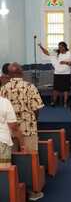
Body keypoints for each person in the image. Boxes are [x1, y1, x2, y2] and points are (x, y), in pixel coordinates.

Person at [0, 63, 44, 200]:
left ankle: (13, 191)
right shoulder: (30, 87)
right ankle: (32, 192)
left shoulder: (3, 89)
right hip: (28, 129)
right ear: (22, 73)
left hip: (10, 132)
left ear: (9, 74)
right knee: (30, 162)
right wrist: (34, 120)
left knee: (12, 162)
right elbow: (37, 108)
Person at [38, 42, 71, 107]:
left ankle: (65, 103)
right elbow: (46, 53)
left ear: (64, 47)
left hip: (66, 73)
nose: (60, 48)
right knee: (56, 89)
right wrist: (41, 47)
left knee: (65, 89)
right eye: (59, 47)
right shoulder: (56, 53)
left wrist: (65, 62)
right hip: (57, 73)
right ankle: (54, 102)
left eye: (61, 47)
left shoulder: (69, 54)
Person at [0, 96, 24, 168]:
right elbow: (13, 126)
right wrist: (22, 144)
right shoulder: (4, 102)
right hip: (2, 142)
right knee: (3, 175)